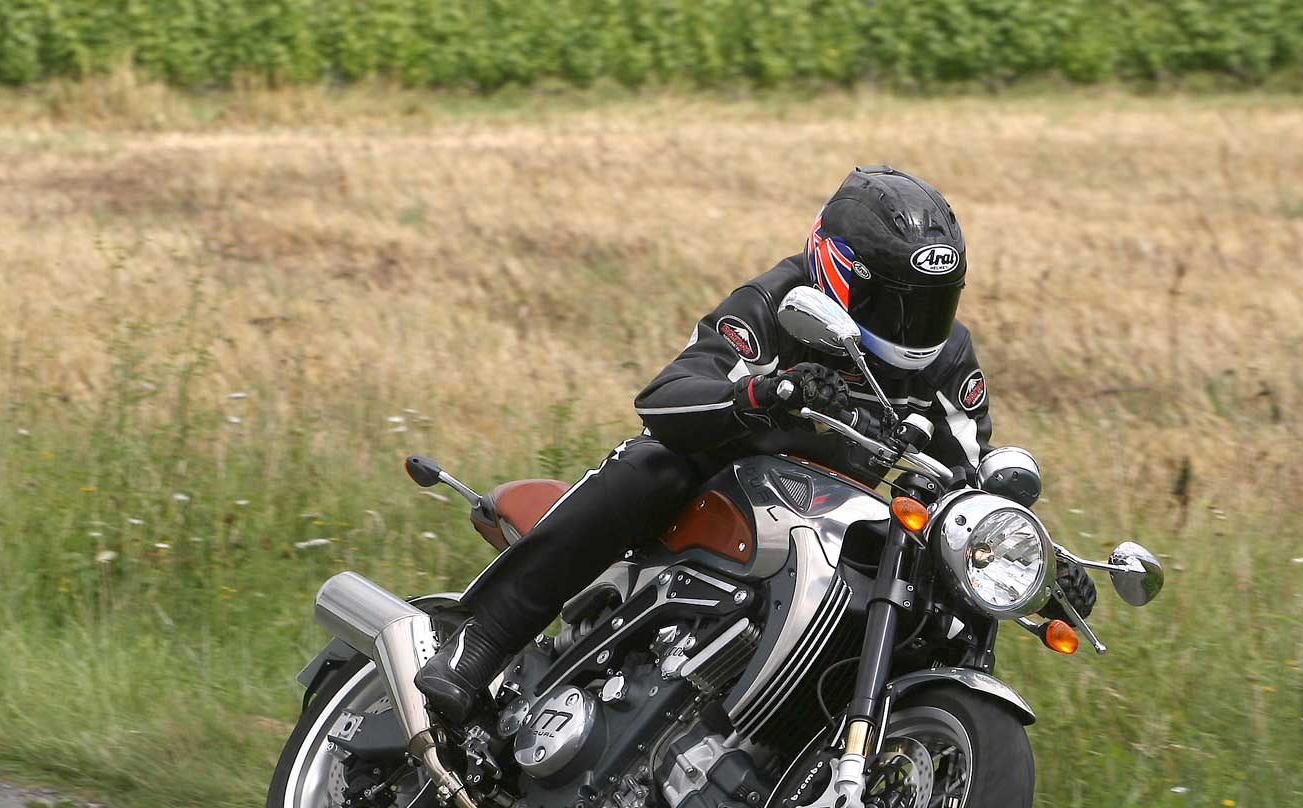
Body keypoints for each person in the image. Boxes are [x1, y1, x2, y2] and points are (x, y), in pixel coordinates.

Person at [415, 165, 1079, 726]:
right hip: (718, 485)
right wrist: (759, 395)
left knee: (939, 593)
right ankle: (481, 639)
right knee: (653, 467)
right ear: (841, 272)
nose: (916, 325)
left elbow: (969, 478)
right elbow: (665, 396)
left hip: (833, 515)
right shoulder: (776, 300)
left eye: (932, 304)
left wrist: (1039, 566)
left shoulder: (949, 356)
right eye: (897, 302)